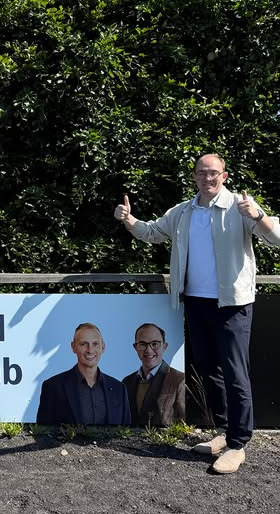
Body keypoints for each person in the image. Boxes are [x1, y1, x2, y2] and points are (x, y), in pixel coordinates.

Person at [114, 153, 280, 473]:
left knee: (235, 373)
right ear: (194, 177)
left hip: (232, 304)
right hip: (196, 302)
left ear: (225, 175)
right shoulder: (183, 211)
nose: (208, 177)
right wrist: (128, 220)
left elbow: (276, 239)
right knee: (210, 372)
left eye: (214, 172)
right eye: (202, 172)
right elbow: (151, 232)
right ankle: (224, 432)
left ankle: (238, 444)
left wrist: (259, 215)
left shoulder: (241, 206)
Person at [36, 322, 131, 426]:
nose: (90, 350)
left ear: (103, 347)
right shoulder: (53, 387)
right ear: (73, 347)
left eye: (95, 344)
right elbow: (43, 434)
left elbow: (125, 434)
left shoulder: (119, 389)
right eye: (83, 344)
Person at [122, 323, 185, 427]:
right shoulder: (127, 382)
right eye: (142, 344)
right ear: (135, 347)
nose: (149, 350)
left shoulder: (179, 380)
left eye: (155, 344)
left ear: (165, 346)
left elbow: (184, 423)